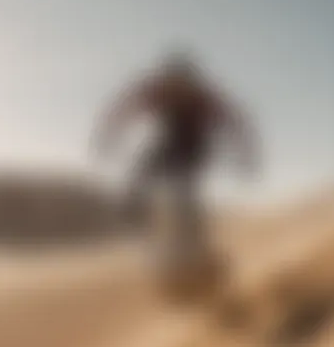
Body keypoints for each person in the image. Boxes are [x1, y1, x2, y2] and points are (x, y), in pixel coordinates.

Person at [90, 50, 260, 244]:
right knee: (141, 173)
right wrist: (108, 136)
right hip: (169, 143)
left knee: (183, 188)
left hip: (195, 146)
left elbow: (234, 121)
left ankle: (190, 237)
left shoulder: (201, 96)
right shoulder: (159, 89)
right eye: (175, 82)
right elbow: (125, 109)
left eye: (183, 83)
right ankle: (137, 221)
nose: (179, 89)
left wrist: (246, 156)